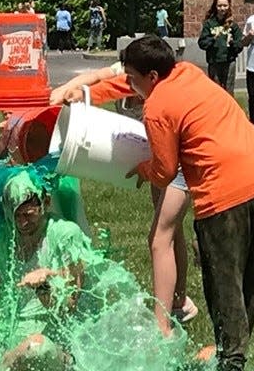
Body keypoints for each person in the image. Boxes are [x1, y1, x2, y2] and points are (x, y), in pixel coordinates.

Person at [0, 170, 186, 370]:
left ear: (45, 202)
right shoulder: (2, 240)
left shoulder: (65, 235)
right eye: (16, 216)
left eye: (30, 213)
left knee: (35, 347)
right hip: (2, 347)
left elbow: (70, 306)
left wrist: (45, 282)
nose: (24, 222)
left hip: (55, 351)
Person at [124, 35, 254, 371]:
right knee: (249, 279)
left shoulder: (157, 106)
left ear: (151, 77)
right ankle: (236, 351)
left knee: (223, 284)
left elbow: (165, 172)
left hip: (224, 193)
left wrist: (142, 167)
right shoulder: (189, 73)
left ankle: (231, 361)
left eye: (132, 79)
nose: (128, 85)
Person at [50, 61, 199, 335]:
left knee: (161, 237)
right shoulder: (132, 69)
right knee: (170, 229)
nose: (129, 78)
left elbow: (112, 85)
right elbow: (101, 78)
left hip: (170, 153)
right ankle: (178, 301)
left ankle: (165, 321)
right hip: (153, 150)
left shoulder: (159, 80)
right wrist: (71, 88)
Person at [198, 0, 244, 95]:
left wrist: (232, 43)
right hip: (214, 62)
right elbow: (202, 43)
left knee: (229, 91)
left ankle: (229, 110)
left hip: (229, 62)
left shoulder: (233, 25)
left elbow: (240, 45)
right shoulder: (209, 24)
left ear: (229, 6)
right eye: (219, 6)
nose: (222, 8)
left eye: (225, 6)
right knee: (215, 92)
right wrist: (213, 39)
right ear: (215, 6)